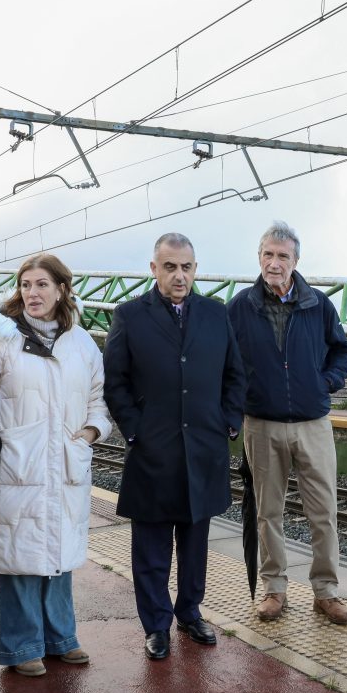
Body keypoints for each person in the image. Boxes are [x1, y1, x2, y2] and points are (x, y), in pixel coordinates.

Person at [103, 233, 245, 660]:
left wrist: (228, 422)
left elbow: (235, 376)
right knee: (150, 546)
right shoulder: (129, 315)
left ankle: (190, 611)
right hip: (152, 449)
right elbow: (116, 382)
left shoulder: (216, 315)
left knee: (195, 540)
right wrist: (135, 431)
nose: (178, 275)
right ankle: (156, 625)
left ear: (195, 269)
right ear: (154, 270)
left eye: (186, 267)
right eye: (170, 267)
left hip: (203, 447)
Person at [0, 254, 111, 676]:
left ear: (62, 289)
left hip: (64, 460)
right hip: (14, 462)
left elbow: (97, 399)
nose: (33, 293)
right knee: (20, 553)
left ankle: (61, 637)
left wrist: (89, 434)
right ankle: (21, 646)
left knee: (58, 550)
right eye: (26, 285)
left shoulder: (81, 342)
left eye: (42, 285)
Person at [227, 221, 347, 625]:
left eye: (283, 256)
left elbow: (342, 352)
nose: (275, 263)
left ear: (296, 261)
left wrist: (326, 382)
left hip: (313, 423)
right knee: (268, 512)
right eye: (268, 254)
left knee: (323, 511)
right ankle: (274, 590)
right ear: (259, 258)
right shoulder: (241, 307)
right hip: (261, 423)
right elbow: (226, 362)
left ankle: (326, 592)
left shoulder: (318, 304)